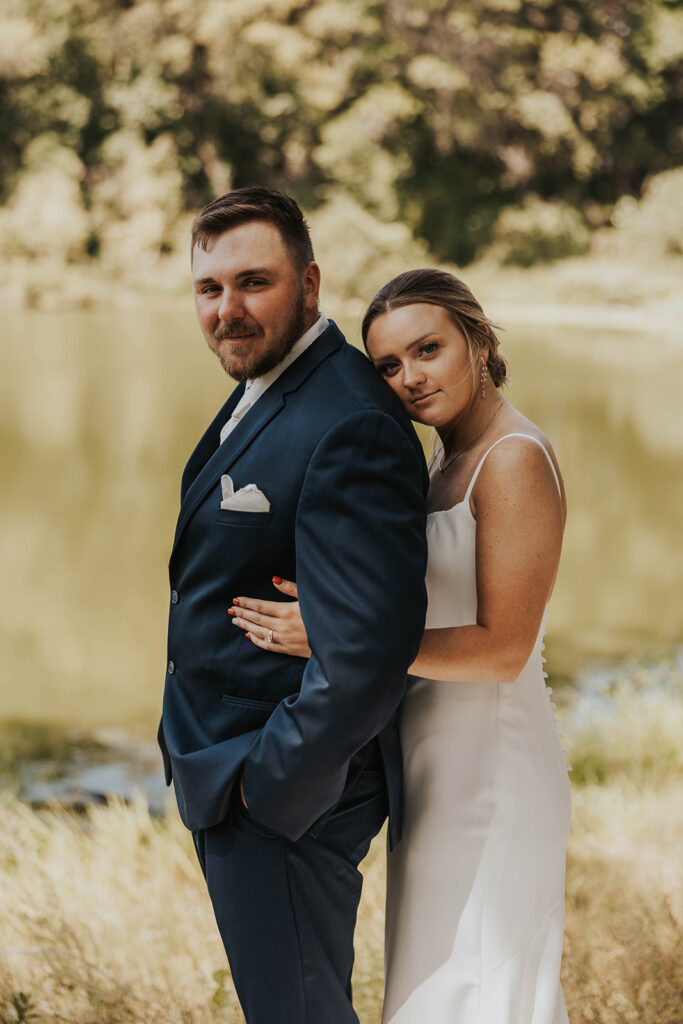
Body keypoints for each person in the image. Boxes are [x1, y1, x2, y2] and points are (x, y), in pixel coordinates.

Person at [231, 268, 571, 1023]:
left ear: (477, 342)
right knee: (431, 987)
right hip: (430, 769)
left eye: (427, 350)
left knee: (476, 987)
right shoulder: (442, 459)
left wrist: (344, 642)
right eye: (387, 365)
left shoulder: (510, 458)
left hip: (492, 775)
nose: (409, 378)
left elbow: (500, 649)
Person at [157, 187, 428, 1024]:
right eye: (209, 289)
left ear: (310, 283)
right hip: (230, 767)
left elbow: (366, 652)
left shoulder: (349, 420)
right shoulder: (275, 381)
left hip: (281, 796)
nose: (226, 310)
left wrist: (267, 791)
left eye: (253, 282)